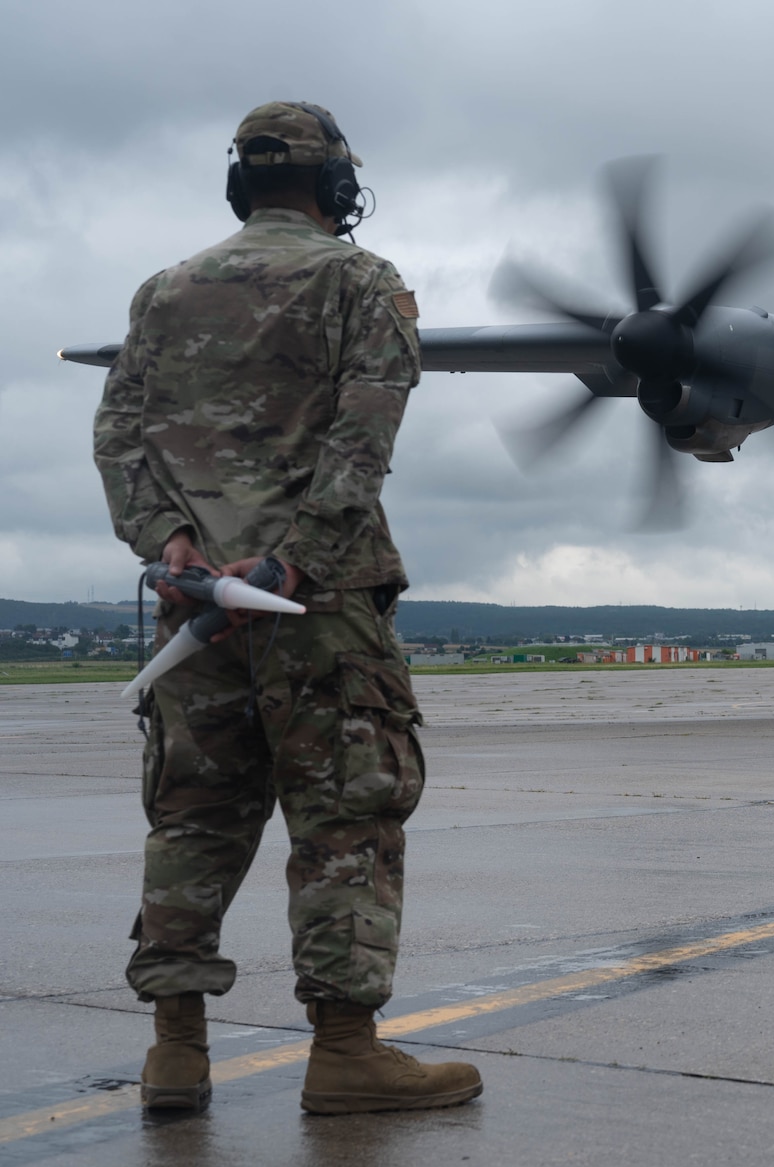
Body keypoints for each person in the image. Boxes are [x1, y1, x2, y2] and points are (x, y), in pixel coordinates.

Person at [92, 101, 480, 1115]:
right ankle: (345, 1051)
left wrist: (171, 550)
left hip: (196, 610)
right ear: (335, 186)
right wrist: (297, 564)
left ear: (242, 183)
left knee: (191, 817)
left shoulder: (161, 292)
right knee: (346, 816)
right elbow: (362, 440)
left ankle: (174, 1050)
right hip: (320, 607)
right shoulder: (362, 281)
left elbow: (120, 436)